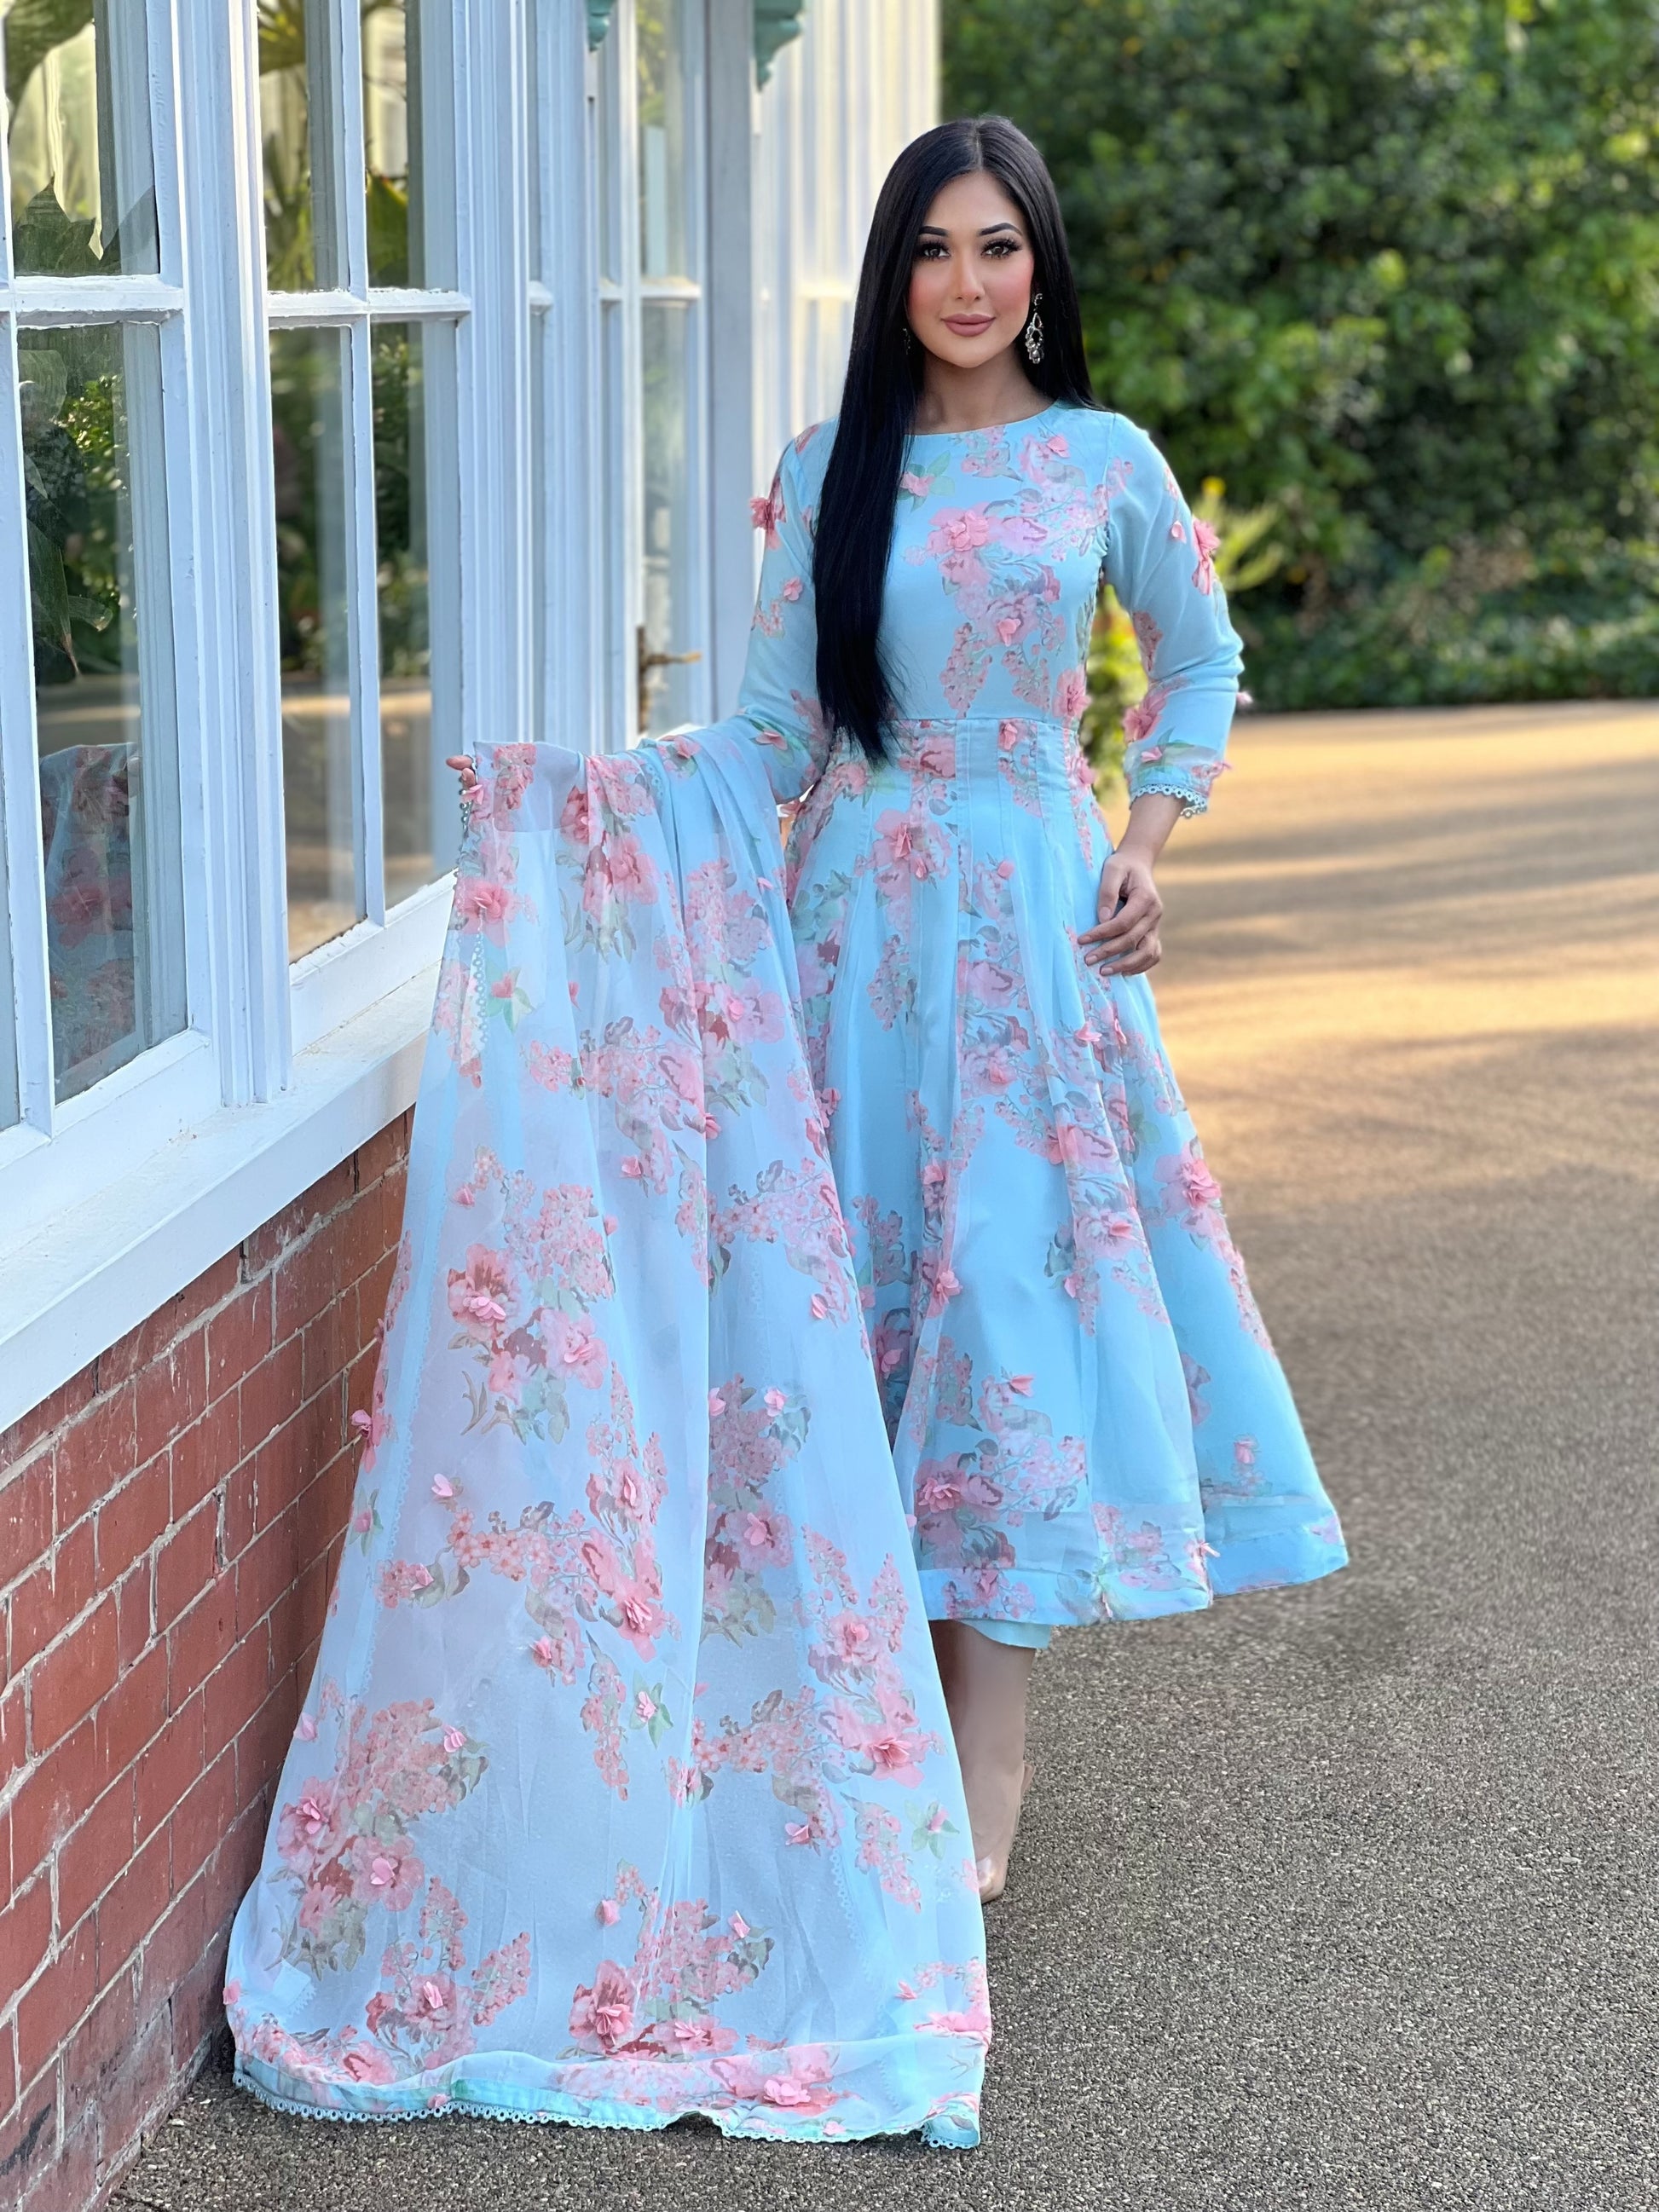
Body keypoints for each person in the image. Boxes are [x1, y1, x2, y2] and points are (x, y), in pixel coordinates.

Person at [454, 114, 1348, 1903]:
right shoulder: (830, 468)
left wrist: (1147, 838)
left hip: (1034, 928)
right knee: (855, 1306)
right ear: (894, 273)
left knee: (1001, 1299)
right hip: (853, 933)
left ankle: (983, 1755)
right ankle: (853, 1722)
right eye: (933, 249)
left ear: (1039, 268)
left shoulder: (1100, 459)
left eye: (996, 246)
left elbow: (1199, 656)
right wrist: (610, 800)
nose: (965, 281)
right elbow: (777, 732)